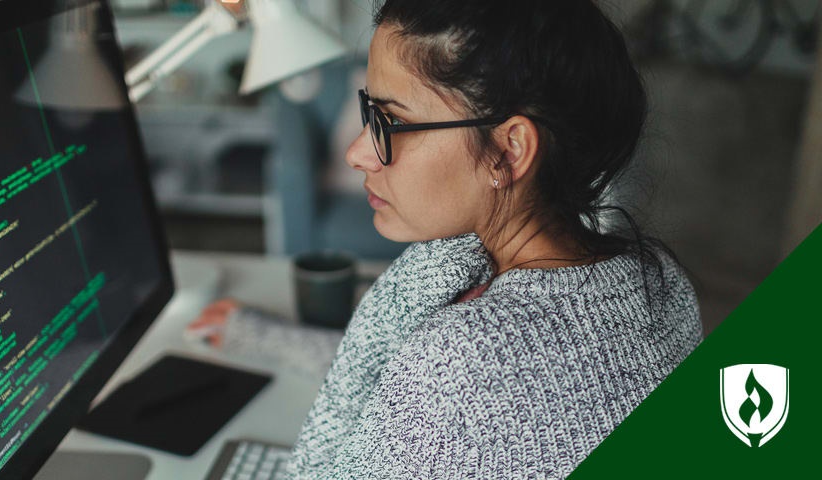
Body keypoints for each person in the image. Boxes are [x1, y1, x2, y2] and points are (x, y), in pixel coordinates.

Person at [189, 0, 702, 477]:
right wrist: (263, 337)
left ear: (509, 150)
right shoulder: (661, 280)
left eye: (391, 121)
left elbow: (443, 387)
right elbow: (435, 392)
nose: (356, 153)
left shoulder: (459, 357)